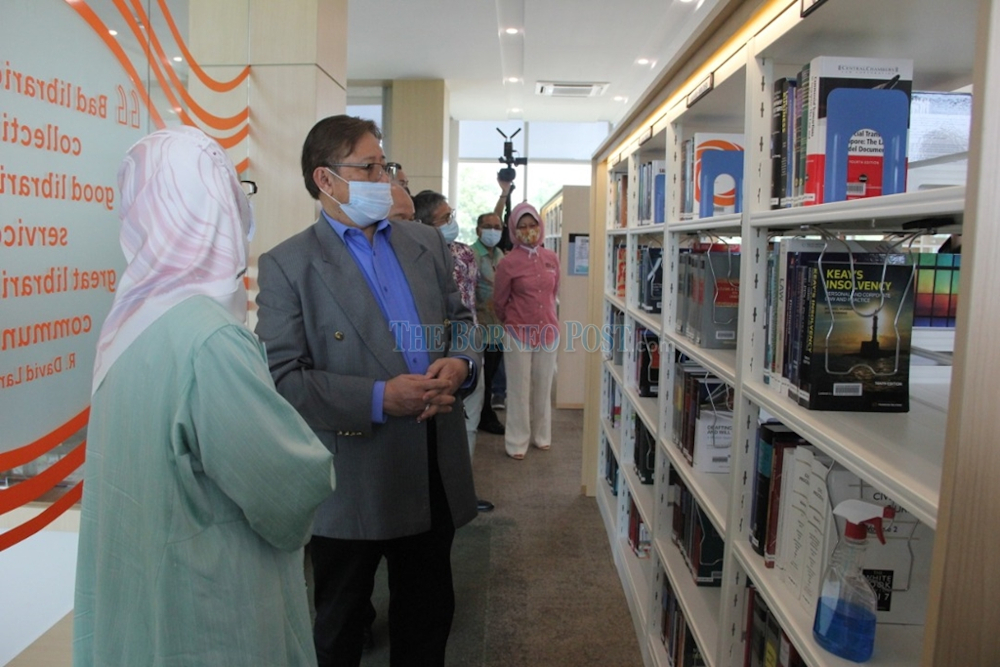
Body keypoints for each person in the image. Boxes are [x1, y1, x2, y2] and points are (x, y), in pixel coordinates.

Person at [73, 126, 336, 666]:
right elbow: (286, 484)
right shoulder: (211, 339)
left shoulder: (128, 323)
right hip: (207, 609)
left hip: (143, 596)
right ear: (215, 207)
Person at [254, 115, 479, 667]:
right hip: (352, 479)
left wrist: (460, 364)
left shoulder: (425, 244)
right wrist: (380, 398)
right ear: (325, 179)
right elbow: (284, 377)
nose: (386, 178)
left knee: (427, 620)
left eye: (386, 165)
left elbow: (462, 322)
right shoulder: (288, 266)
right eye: (370, 167)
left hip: (430, 464)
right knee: (340, 628)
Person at [413, 190, 495, 513]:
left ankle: (463, 490)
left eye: (451, 216)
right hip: (430, 350)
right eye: (445, 218)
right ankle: (431, 495)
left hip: (468, 346)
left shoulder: (465, 254)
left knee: (469, 422)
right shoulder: (412, 255)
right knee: (433, 424)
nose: (452, 223)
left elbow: (471, 301)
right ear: (424, 224)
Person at [493, 201, 560, 460]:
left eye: (533, 225)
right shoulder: (508, 263)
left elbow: (554, 292)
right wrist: (511, 320)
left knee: (543, 387)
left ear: (540, 226)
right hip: (518, 332)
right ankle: (516, 442)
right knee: (518, 389)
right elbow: (500, 302)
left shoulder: (551, 258)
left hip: (548, 331)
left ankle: (542, 436)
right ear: (513, 229)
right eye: (522, 226)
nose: (528, 230)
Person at [472, 208, 507, 435]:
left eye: (497, 227)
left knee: (491, 373)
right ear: (478, 230)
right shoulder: (471, 255)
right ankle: (483, 415)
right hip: (479, 327)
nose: (493, 231)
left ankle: (484, 412)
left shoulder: (500, 255)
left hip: (498, 328)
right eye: (488, 227)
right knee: (481, 377)